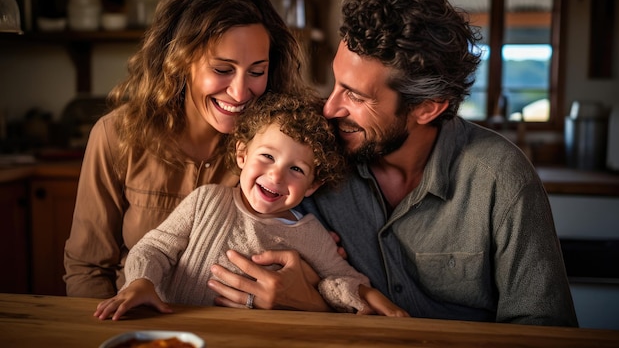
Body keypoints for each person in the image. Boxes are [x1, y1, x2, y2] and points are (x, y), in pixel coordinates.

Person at [206, 0, 579, 327]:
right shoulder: (312, 156)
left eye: (356, 95)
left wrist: (313, 303)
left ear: (427, 108)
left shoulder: (500, 180)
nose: (330, 108)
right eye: (336, 84)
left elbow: (546, 332)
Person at [63, 0, 308, 299]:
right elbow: (88, 268)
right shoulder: (116, 135)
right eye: (222, 69)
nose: (239, 92)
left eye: (257, 71)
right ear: (179, 63)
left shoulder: (284, 148)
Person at [93, 91, 409, 321]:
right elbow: (155, 248)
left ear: (313, 185)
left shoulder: (310, 232)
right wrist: (140, 283)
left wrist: (365, 293)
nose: (276, 175)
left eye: (296, 169)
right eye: (267, 157)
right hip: (172, 328)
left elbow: (335, 278)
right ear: (242, 155)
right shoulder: (206, 201)